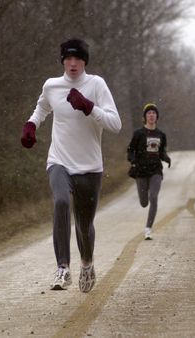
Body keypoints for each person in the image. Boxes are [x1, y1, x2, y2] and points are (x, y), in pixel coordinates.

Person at [20, 38, 122, 292]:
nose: (72, 63)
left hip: (90, 167)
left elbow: (115, 124)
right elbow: (42, 107)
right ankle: (63, 268)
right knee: (62, 202)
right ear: (63, 61)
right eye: (68, 59)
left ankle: (87, 263)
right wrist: (32, 125)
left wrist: (89, 108)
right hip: (59, 161)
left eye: (77, 59)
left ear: (84, 61)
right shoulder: (52, 86)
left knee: (84, 226)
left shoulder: (96, 84)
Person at [127, 103, 171, 240]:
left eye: (153, 113)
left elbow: (161, 151)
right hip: (141, 170)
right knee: (144, 202)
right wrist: (133, 162)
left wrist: (166, 158)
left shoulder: (161, 135)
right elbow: (130, 150)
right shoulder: (138, 134)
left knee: (154, 196)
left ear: (157, 117)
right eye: (149, 113)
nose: (151, 115)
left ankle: (148, 229)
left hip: (156, 170)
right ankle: (147, 222)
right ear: (145, 117)